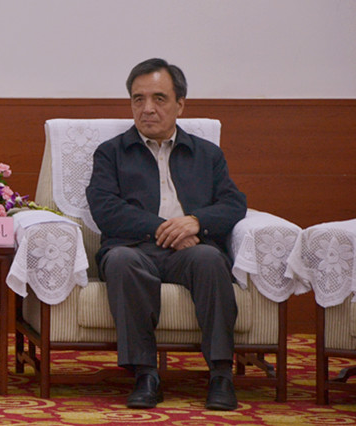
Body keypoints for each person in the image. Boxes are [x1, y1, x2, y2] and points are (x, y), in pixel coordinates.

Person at [85, 58, 247, 411]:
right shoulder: (111, 153)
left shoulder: (206, 154)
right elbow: (105, 209)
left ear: (180, 104)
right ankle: (145, 374)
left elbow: (234, 203)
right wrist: (163, 227)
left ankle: (220, 374)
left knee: (210, 259)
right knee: (121, 261)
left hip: (191, 251)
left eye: (159, 98)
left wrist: (195, 221)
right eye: (138, 99)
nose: (147, 109)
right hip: (133, 248)